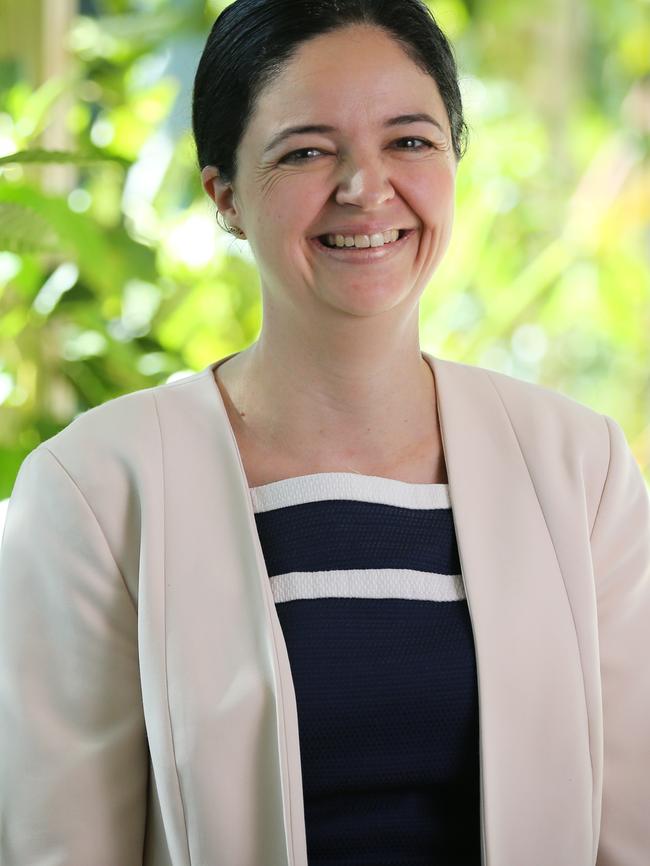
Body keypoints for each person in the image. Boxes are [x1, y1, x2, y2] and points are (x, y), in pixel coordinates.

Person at [0, 1, 648, 864]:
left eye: (409, 141)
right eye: (306, 150)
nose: (365, 187)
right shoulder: (95, 490)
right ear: (224, 193)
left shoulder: (581, 468)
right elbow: (62, 848)